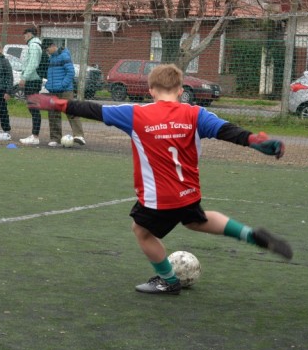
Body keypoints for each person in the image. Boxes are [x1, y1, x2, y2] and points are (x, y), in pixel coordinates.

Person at [27, 63, 292, 295]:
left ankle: (168, 281)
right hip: (188, 192)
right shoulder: (196, 114)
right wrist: (253, 141)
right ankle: (249, 234)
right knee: (194, 220)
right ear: (179, 90)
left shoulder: (136, 114)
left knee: (141, 232)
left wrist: (60, 103)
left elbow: (95, 110)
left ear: (151, 91)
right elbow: (228, 131)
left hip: (158, 198)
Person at [42, 41, 85, 147]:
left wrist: (62, 85)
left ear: (53, 46)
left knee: (71, 111)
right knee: (53, 114)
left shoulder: (64, 55)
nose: (47, 52)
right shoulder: (51, 58)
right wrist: (48, 85)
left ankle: (79, 136)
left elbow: (71, 72)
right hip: (53, 91)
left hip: (65, 90)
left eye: (47, 50)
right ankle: (55, 138)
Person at [18, 26, 45, 145]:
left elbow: (33, 63)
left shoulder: (34, 46)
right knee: (32, 108)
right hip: (33, 79)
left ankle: (35, 136)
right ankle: (34, 135)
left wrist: (24, 77)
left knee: (33, 108)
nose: (24, 38)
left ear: (29, 34)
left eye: (24, 35)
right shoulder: (34, 45)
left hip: (33, 80)